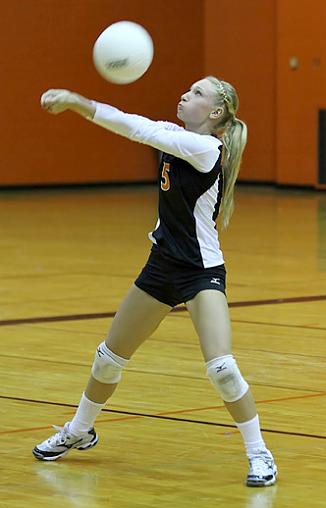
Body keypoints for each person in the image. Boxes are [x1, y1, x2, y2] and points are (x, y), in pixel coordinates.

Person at [33, 76, 277, 487]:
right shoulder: (174, 135)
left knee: (222, 368)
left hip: (200, 271)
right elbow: (133, 122)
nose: (185, 93)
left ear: (216, 113)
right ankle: (79, 430)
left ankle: (259, 453)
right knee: (108, 358)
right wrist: (86, 106)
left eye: (198, 93)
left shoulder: (205, 148)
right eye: (189, 88)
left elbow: (135, 128)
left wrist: (78, 101)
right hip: (161, 266)